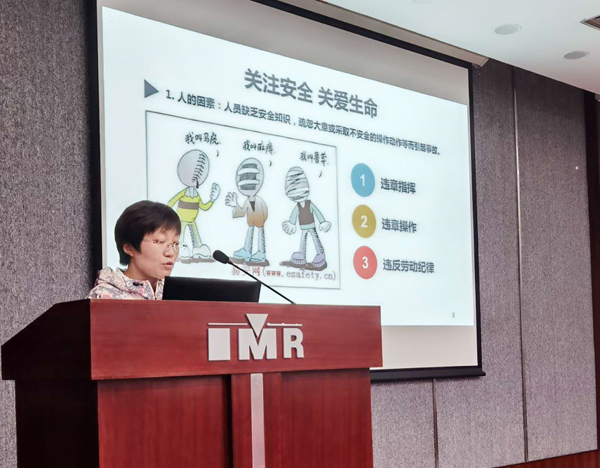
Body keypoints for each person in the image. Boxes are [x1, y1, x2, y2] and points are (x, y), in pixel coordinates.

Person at [87, 200, 181, 300]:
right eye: (160, 241)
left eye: (175, 243)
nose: (170, 252)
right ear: (129, 248)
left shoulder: (176, 296)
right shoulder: (103, 297)